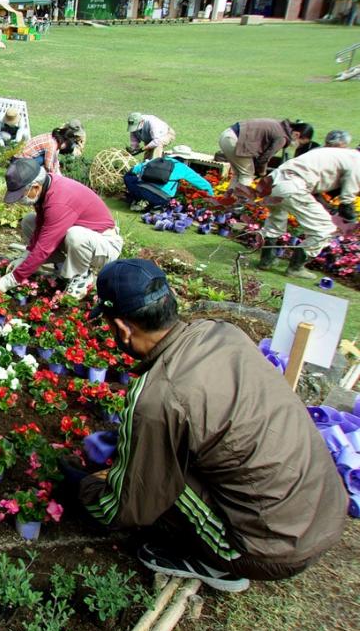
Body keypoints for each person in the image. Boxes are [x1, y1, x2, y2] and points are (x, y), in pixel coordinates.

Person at [79, 259, 346, 592]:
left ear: (122, 328)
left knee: (158, 487)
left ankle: (215, 566)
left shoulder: (158, 396)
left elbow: (128, 508)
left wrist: (87, 486)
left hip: (273, 548)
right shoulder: (223, 332)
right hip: (327, 505)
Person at [0, 158, 122, 300]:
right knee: (29, 221)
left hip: (105, 245)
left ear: (36, 187)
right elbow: (40, 226)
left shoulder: (59, 202)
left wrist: (10, 281)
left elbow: (44, 247)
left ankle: (81, 278)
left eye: (21, 195)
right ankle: (63, 266)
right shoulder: (46, 187)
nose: (20, 200)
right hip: (85, 240)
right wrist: (25, 256)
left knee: (75, 236)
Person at [257, 144, 360, 278]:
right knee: (325, 229)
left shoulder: (341, 154)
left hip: (272, 181)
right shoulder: (358, 161)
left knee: (275, 222)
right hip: (292, 185)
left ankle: (266, 260)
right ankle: (296, 268)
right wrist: (352, 223)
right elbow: (346, 202)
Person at [218, 118, 314, 186]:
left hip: (227, 135)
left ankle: (228, 201)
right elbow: (265, 158)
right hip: (234, 140)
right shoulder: (282, 138)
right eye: (300, 143)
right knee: (247, 175)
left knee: (239, 174)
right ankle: (238, 206)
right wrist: (263, 173)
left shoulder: (280, 126)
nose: (297, 146)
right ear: (297, 134)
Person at [123, 149, 214, 211]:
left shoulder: (157, 159)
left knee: (129, 176)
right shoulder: (183, 168)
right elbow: (205, 185)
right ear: (185, 159)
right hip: (161, 198)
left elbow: (134, 170)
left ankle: (136, 199)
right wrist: (212, 199)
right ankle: (156, 207)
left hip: (141, 190)